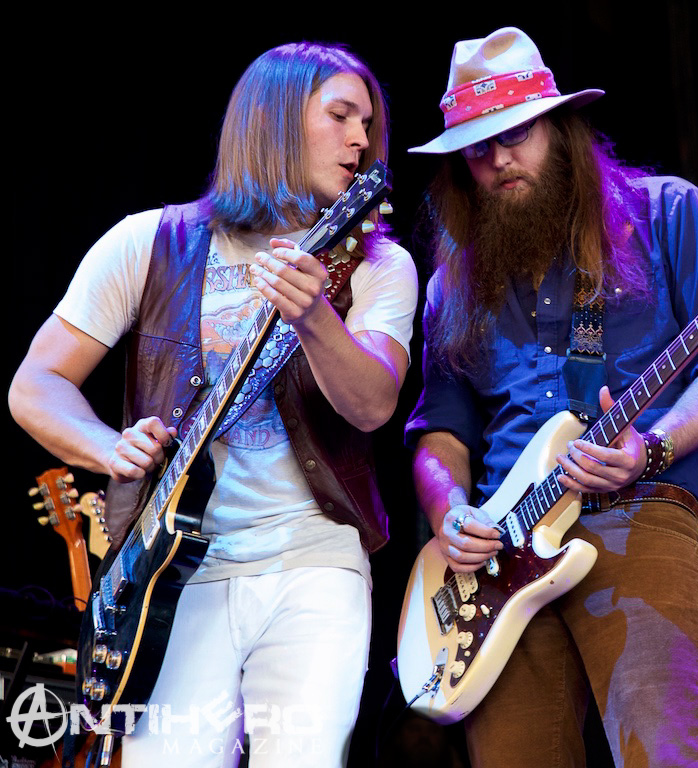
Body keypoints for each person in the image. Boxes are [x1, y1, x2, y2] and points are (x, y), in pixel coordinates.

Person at [9, 42, 417, 767]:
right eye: (340, 116)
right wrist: (108, 448)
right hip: (171, 581)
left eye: (368, 122)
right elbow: (35, 384)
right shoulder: (150, 241)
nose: (362, 138)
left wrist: (317, 318)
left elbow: (373, 405)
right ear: (274, 122)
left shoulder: (379, 264)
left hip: (312, 564)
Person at [404, 27, 698, 767]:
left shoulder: (666, 213)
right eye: (477, 147)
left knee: (659, 755)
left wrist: (650, 448)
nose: (499, 158)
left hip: (640, 507)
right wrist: (451, 512)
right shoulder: (449, 287)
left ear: (560, 128)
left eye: (516, 133)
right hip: (498, 560)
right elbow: (439, 432)